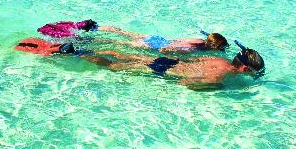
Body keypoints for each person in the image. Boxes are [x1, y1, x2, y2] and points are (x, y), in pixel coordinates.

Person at [79, 45, 265, 90]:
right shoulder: (219, 77)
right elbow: (187, 83)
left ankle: (87, 48)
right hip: (162, 69)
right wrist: (216, 88)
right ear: (245, 69)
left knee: (123, 56)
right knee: (114, 66)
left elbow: (195, 61)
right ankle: (77, 53)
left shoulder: (219, 59)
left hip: (169, 60)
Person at [97, 26, 229, 53]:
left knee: (127, 33)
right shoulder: (197, 48)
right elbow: (179, 48)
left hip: (160, 38)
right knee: (121, 43)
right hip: (156, 44)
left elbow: (178, 40)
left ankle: (99, 28)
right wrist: (164, 50)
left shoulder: (199, 40)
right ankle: (97, 41)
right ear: (214, 46)